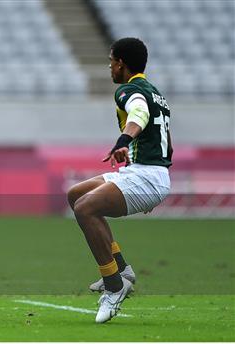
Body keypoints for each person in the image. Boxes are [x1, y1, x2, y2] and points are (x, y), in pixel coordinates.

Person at [67, 38, 172, 323]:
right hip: (144, 171)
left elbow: (139, 113)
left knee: (85, 209)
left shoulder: (129, 90)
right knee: (76, 194)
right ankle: (122, 270)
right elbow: (164, 140)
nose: (109, 67)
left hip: (147, 175)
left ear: (121, 64)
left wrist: (124, 139)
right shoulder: (155, 92)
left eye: (111, 61)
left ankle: (114, 287)